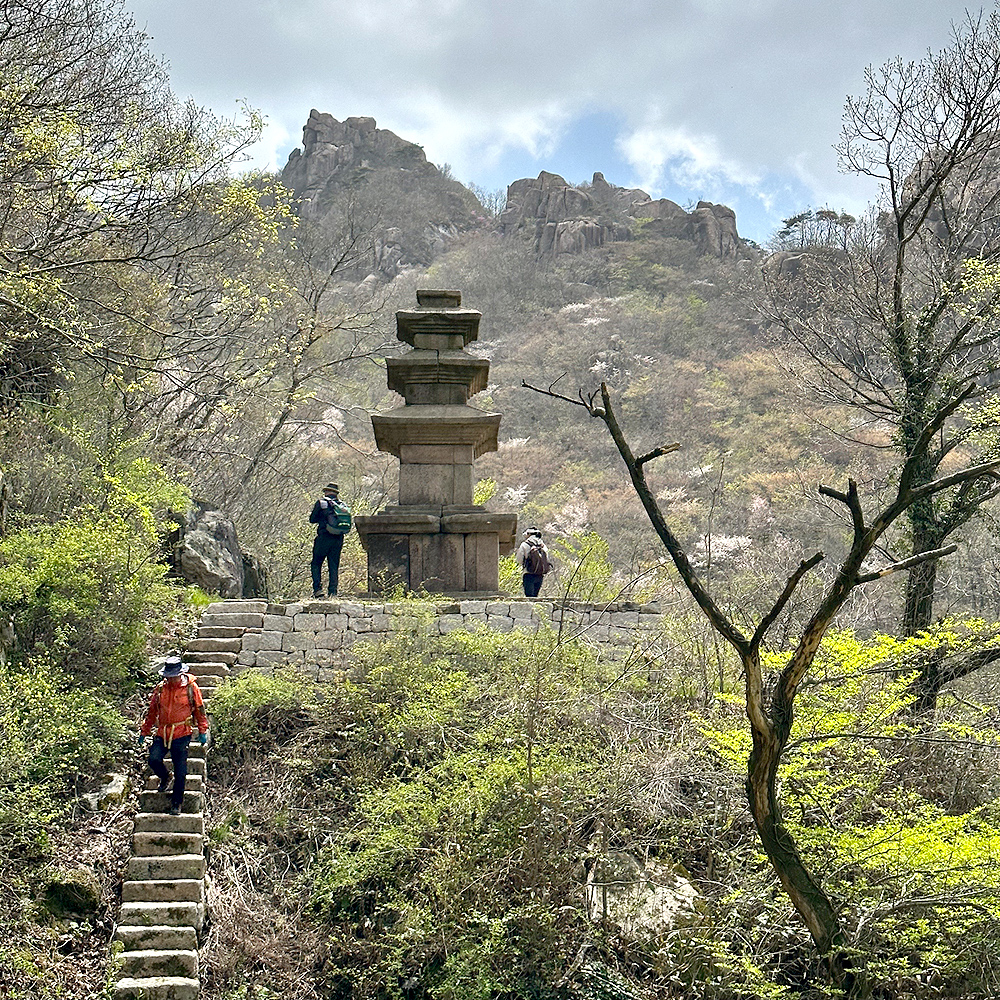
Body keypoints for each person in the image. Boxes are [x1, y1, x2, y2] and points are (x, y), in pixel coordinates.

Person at [138, 653, 208, 815]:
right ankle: (165, 777)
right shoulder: (161, 689)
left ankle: (177, 803)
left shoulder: (191, 688)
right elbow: (152, 712)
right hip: (163, 731)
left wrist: (202, 730)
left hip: (182, 732)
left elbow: (199, 710)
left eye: (174, 677)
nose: (171, 680)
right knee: (154, 759)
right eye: (169, 677)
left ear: (181, 674)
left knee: (181, 770)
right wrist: (145, 731)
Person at [309, 482, 351, 598]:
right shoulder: (342, 506)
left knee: (316, 563)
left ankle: (318, 590)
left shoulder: (322, 503)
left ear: (326, 492)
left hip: (323, 537)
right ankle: (333, 592)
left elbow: (312, 519)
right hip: (338, 539)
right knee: (333, 565)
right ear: (336, 493)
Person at [516, 527, 552, 598]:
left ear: (528, 534)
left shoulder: (524, 545)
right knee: (535, 596)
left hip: (528, 573)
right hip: (540, 574)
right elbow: (546, 558)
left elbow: (519, 559)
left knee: (529, 596)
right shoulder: (543, 545)